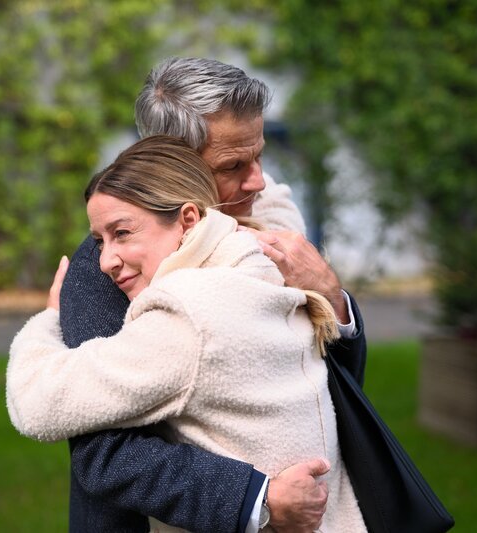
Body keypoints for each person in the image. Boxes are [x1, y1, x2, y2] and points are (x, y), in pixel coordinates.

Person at [57, 57, 367, 533]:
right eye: (234, 165)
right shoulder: (108, 268)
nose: (258, 180)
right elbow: (104, 456)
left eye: (259, 155)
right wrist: (259, 497)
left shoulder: (270, 229)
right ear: (173, 161)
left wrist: (333, 300)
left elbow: (335, 387)